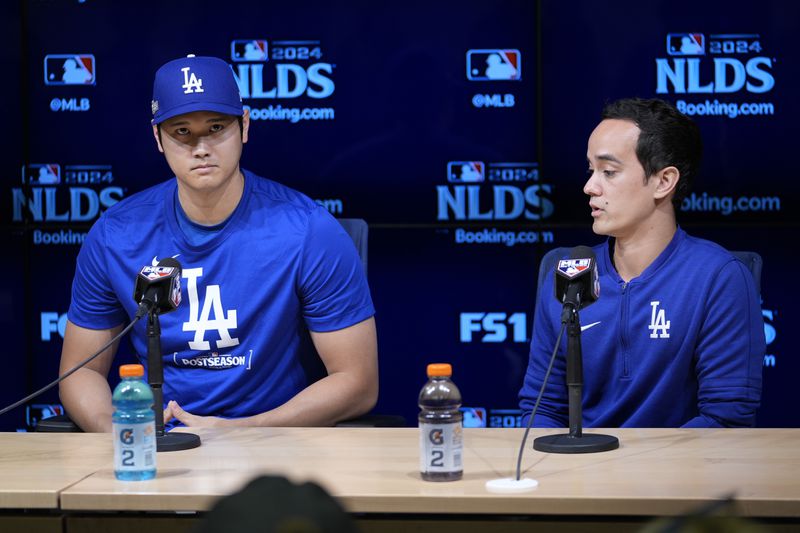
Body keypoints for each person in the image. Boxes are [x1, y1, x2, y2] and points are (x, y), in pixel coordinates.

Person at [59, 55, 378, 432]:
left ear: (244, 126)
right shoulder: (115, 235)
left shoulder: (309, 231)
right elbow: (80, 373)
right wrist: (120, 430)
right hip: (161, 451)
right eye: (181, 131)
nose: (201, 147)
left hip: (274, 448)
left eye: (216, 127)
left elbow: (357, 383)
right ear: (157, 137)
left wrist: (245, 431)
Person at [519, 98, 764, 428]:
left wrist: (636, 473)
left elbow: (725, 420)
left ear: (664, 181)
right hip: (580, 473)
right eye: (590, 170)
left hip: (680, 475)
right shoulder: (567, 271)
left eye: (609, 172)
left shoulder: (718, 278)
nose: (589, 187)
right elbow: (542, 410)